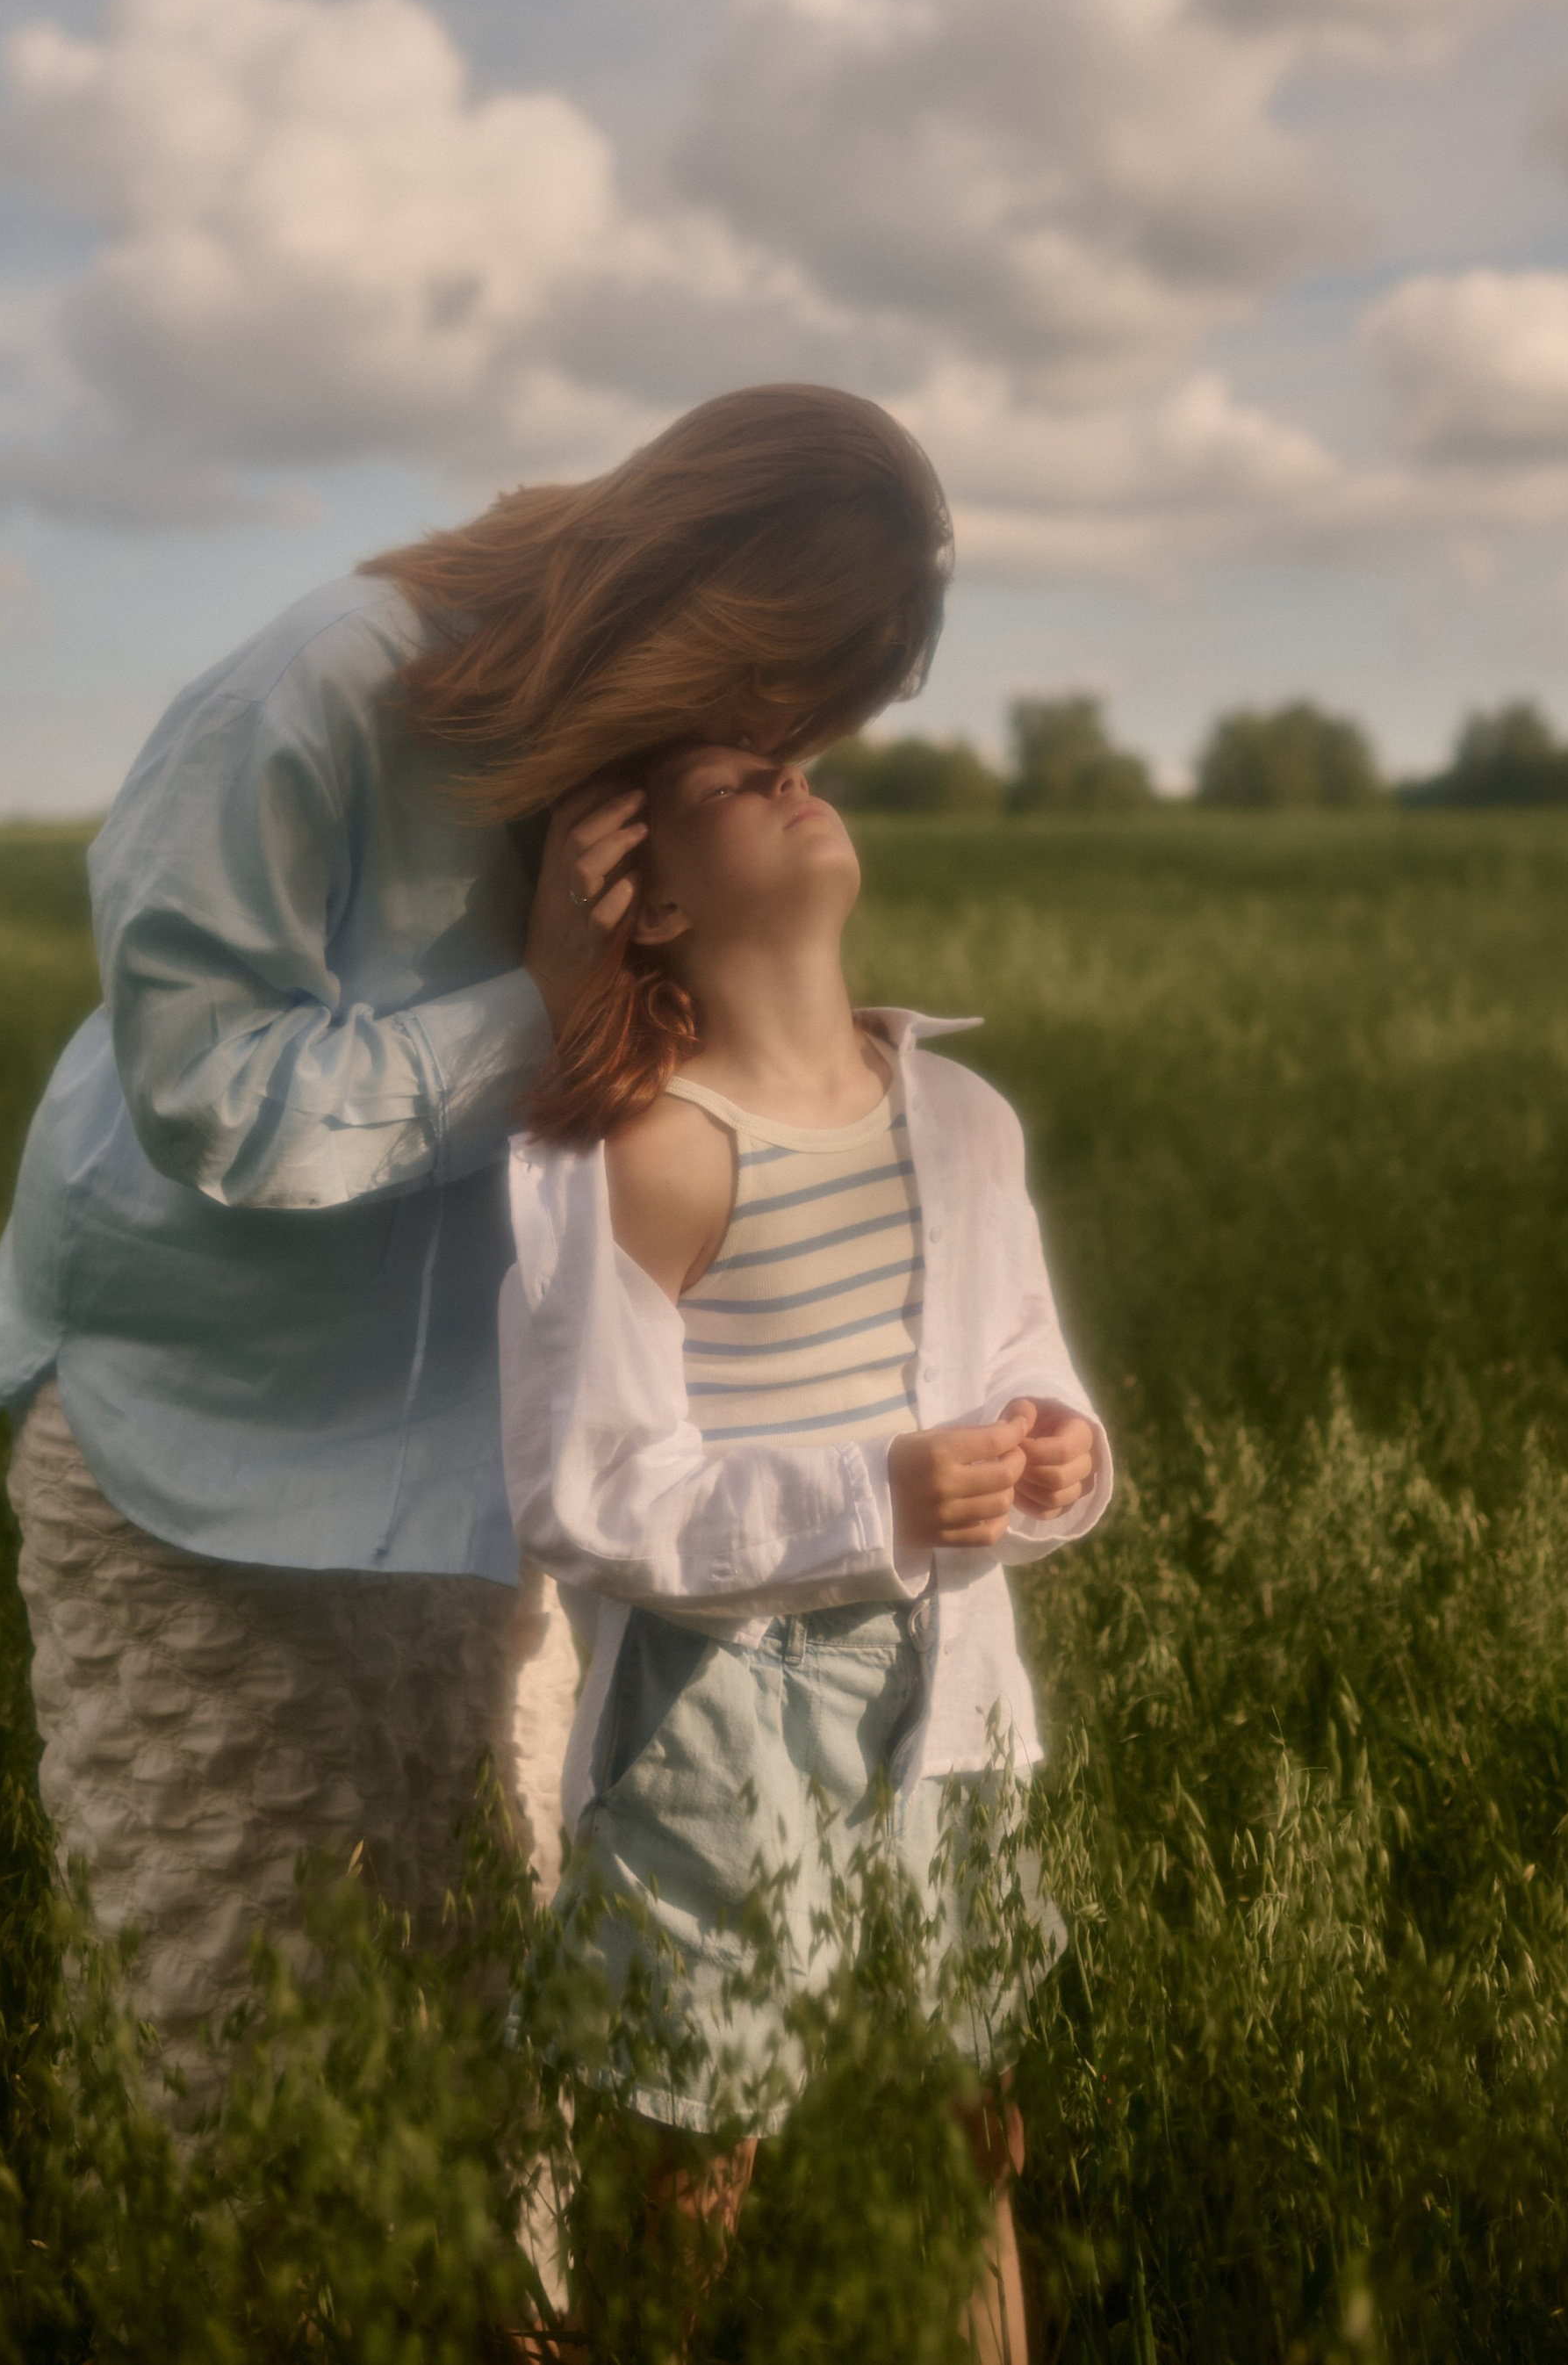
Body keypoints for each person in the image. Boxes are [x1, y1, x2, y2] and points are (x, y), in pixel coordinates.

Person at [0, 386, 953, 2106]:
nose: (768, 753)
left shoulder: (663, 778)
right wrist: (535, 1015)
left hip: (484, 1477)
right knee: (222, 2053)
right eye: (766, 696)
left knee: (496, 2030)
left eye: (800, 732)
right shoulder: (321, 688)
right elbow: (211, 1098)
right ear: (689, 606)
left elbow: (686, 1111)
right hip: (206, 1452)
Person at [500, 739, 1110, 2360]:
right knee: (698, 2146)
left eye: (798, 754)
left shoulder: (966, 1120)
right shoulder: (655, 1149)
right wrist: (875, 1500)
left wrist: (1056, 1451)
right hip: (720, 1704)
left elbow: (1026, 1361)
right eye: (728, 774)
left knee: (960, 2114)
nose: (796, 772)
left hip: (949, 1697)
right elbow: (589, 1493)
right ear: (651, 894)